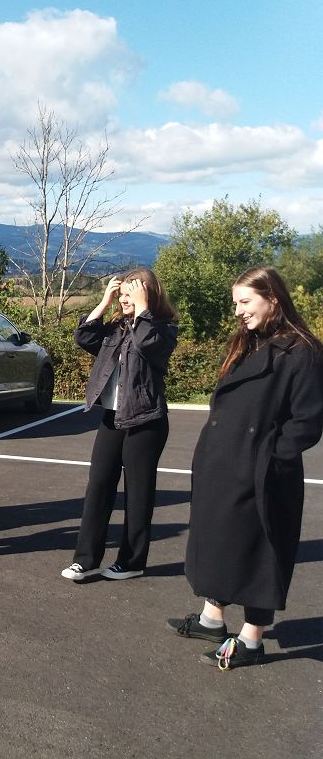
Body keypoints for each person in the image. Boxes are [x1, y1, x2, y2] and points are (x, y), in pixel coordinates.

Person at [168, 266, 323, 669]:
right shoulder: (248, 340)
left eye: (244, 301)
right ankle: (212, 620)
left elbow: (307, 422)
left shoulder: (302, 350)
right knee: (220, 540)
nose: (237, 311)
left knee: (260, 552)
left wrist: (267, 457)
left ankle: (252, 640)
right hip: (223, 462)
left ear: (272, 297)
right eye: (235, 302)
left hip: (263, 472)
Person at [60, 269, 178, 581]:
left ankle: (132, 562)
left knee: (138, 494)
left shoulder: (163, 328)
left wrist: (142, 308)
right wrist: (104, 301)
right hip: (112, 418)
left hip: (146, 420)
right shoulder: (117, 328)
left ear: (147, 295)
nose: (124, 300)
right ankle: (86, 560)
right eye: (122, 294)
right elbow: (84, 336)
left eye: (130, 294)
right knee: (98, 487)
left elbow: (147, 344)